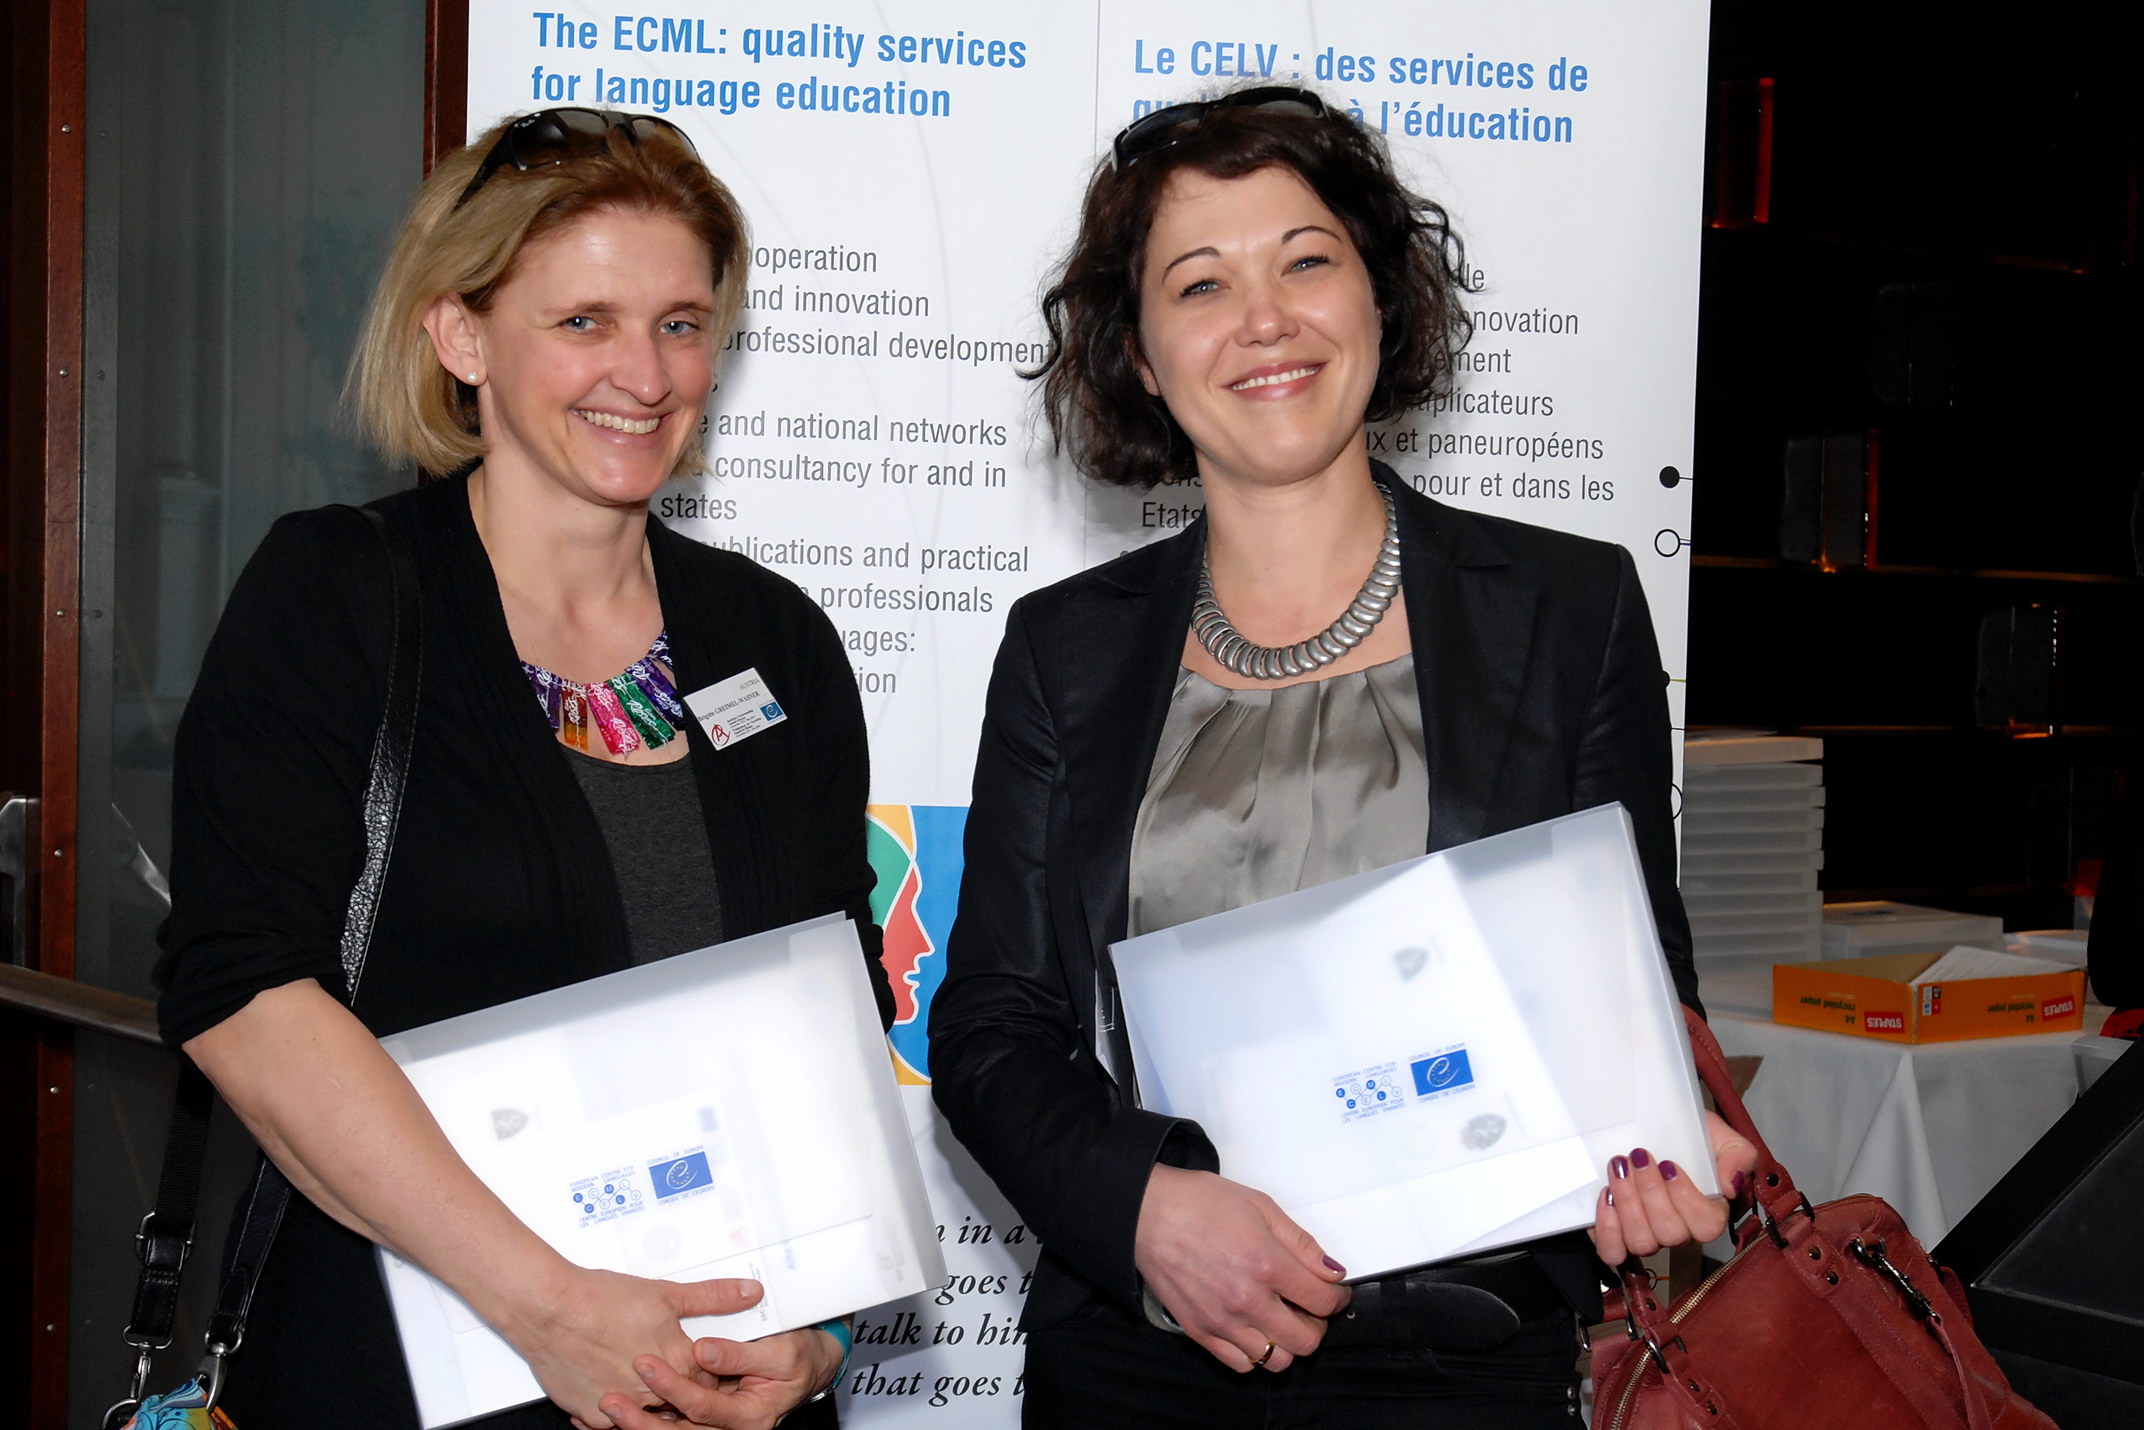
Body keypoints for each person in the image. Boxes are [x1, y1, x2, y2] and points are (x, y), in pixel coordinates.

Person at [929, 86, 1757, 1427]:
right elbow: (991, 1026)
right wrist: (1142, 1209)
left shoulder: (1570, 609)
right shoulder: (1063, 649)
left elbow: (1635, 984)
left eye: (1306, 261)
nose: (1265, 319)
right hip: (1144, 1361)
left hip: (1465, 1360)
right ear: (1142, 356)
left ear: (1378, 296)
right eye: (1202, 283)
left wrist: (1661, 1136)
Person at [155, 109, 890, 1430]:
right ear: (462, 336)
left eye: (680, 322)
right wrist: (546, 1306)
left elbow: (837, 1002)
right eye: (583, 321)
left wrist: (823, 1328)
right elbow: (244, 996)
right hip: (399, 1373)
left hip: (730, 1388)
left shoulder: (773, 637)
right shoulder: (337, 595)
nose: (644, 374)